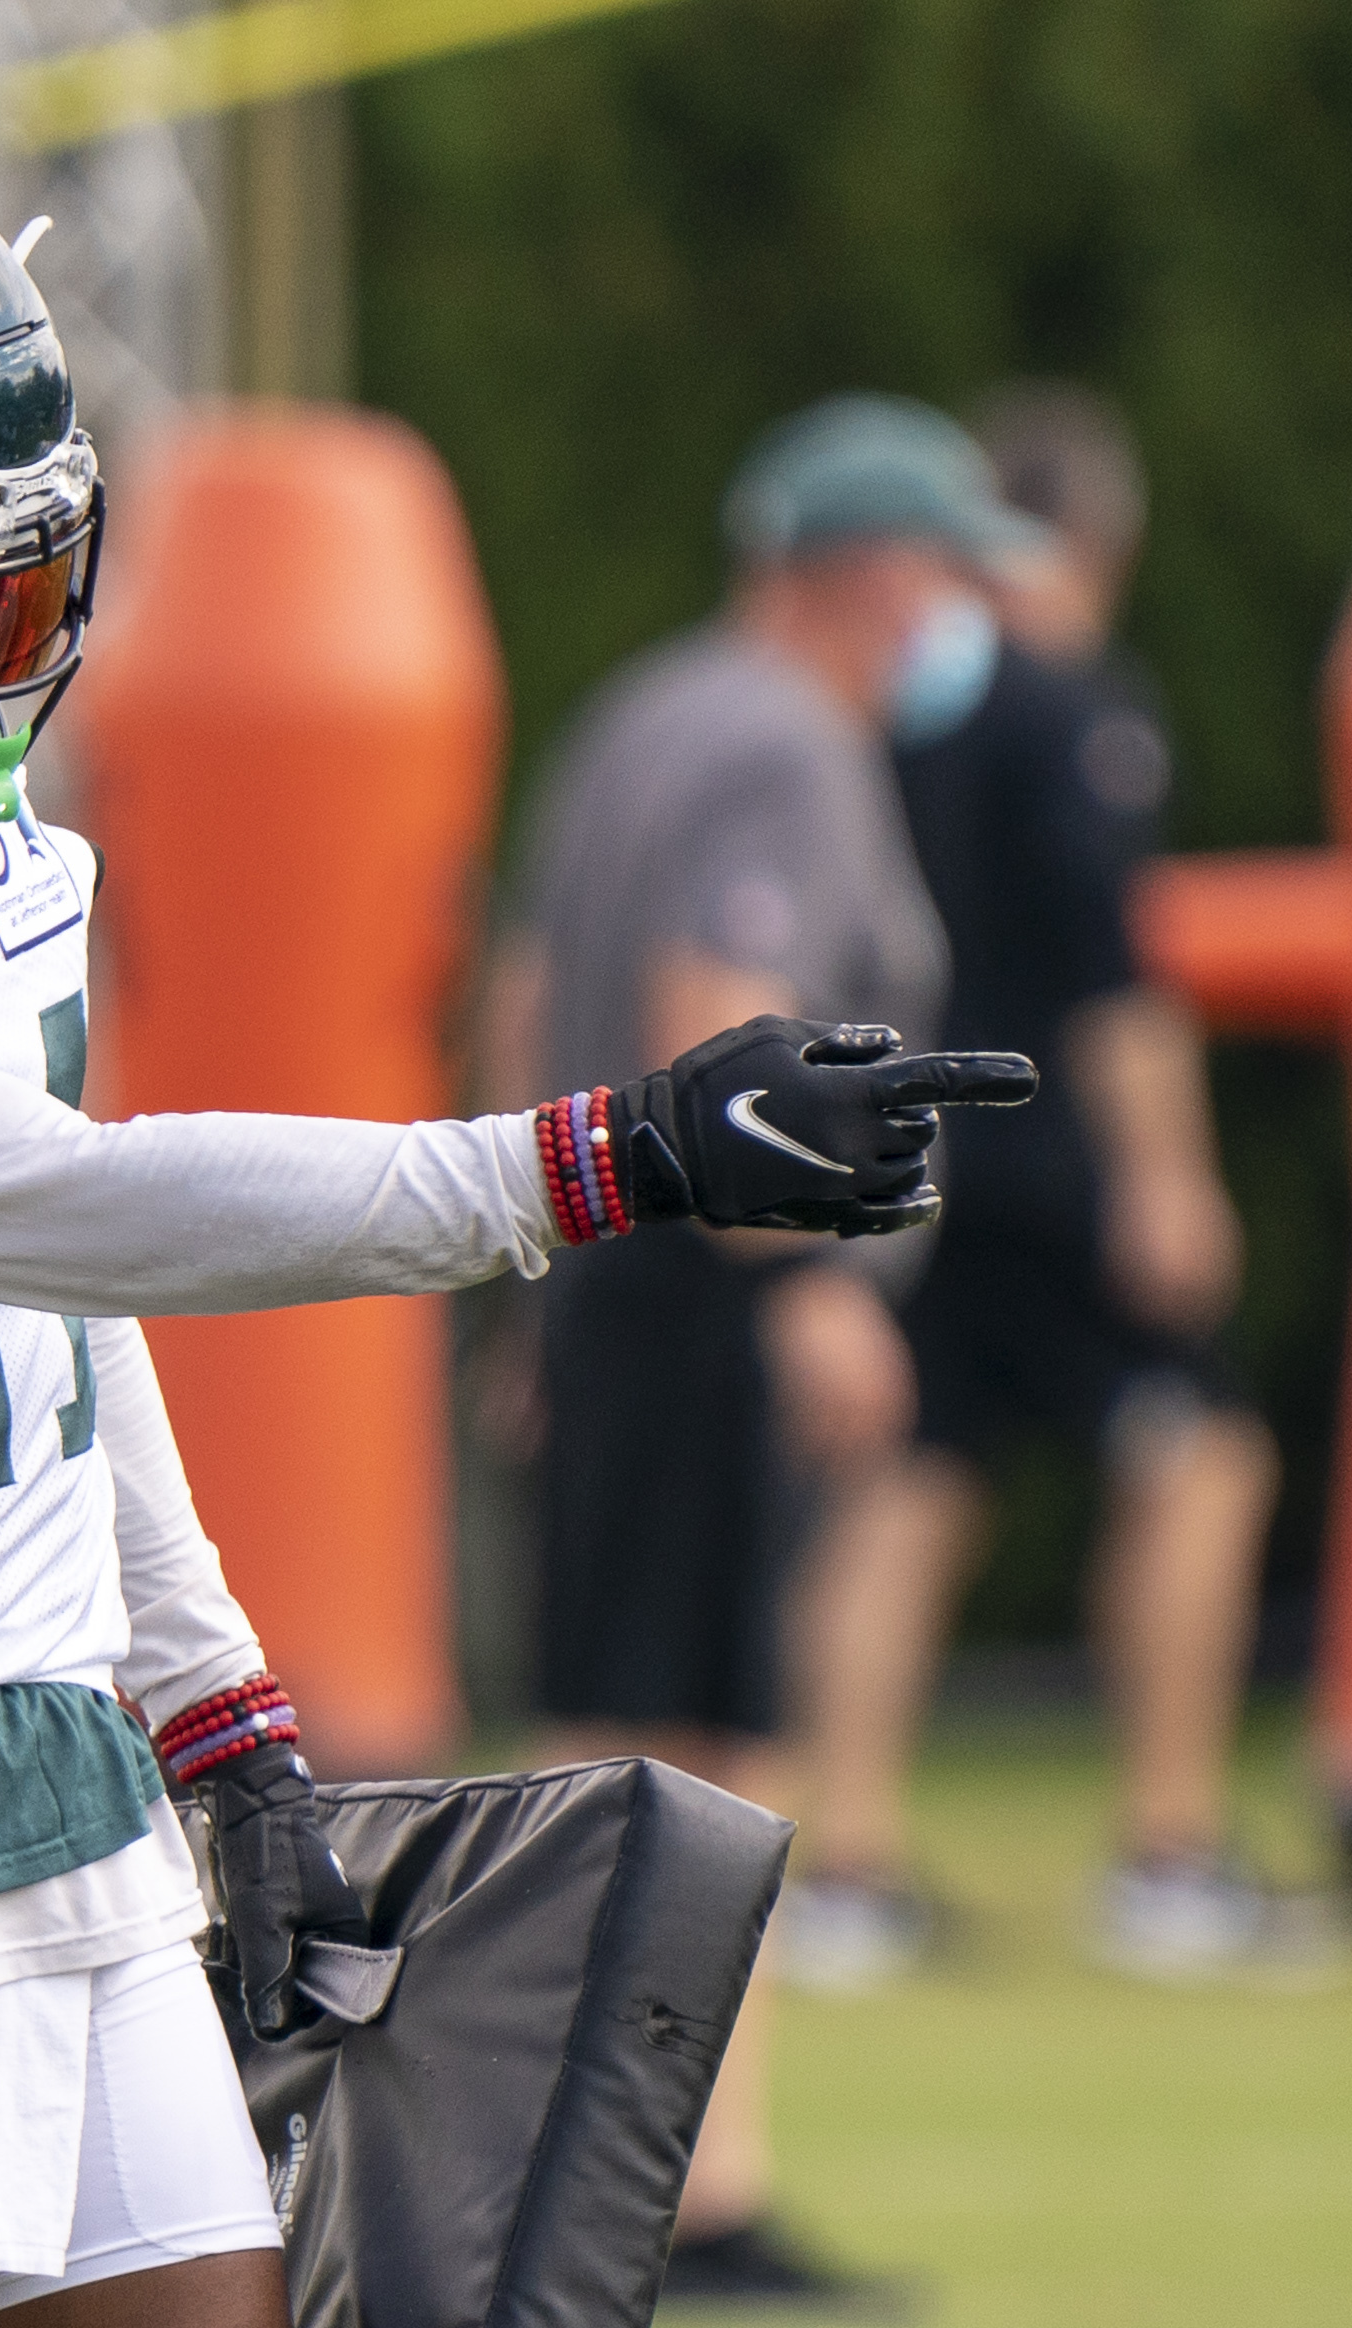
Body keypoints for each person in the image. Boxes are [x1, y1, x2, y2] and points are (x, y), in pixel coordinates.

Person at [0, 140, 1020, 2328]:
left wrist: (212, 1706)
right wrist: (598, 1159)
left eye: (16, 597)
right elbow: (62, 1199)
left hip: (54, 1800)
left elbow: (52, 1303)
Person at [488, 393, 1027, 2311]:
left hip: (615, 1262)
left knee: (630, 1743)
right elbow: (720, 1016)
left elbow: (532, 992)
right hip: (715, 1285)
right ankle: (668, 2192)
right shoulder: (786, 740)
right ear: (878, 577)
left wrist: (532, 1264)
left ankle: (634, 2185)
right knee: (696, 1752)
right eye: (951, 575)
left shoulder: (647, 710)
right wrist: (805, 1281)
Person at [789, 384, 1316, 1985]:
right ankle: (1169, 1849)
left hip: (903, 1151)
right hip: (1043, 1160)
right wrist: (1172, 1177)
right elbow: (1109, 971)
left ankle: (849, 1870)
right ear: (1095, 536)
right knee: (1204, 1459)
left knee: (914, 1483)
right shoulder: (1063, 703)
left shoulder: (880, 700)